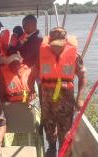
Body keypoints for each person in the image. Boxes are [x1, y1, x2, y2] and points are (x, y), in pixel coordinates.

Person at [36, 27, 86, 157]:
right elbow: (34, 75)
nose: (57, 48)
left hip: (66, 100)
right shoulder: (42, 55)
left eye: (60, 45)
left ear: (65, 41)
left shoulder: (75, 56)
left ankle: (62, 153)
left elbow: (82, 77)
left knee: (65, 130)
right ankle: (51, 149)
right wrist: (32, 91)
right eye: (54, 45)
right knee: (49, 126)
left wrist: (80, 98)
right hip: (47, 100)